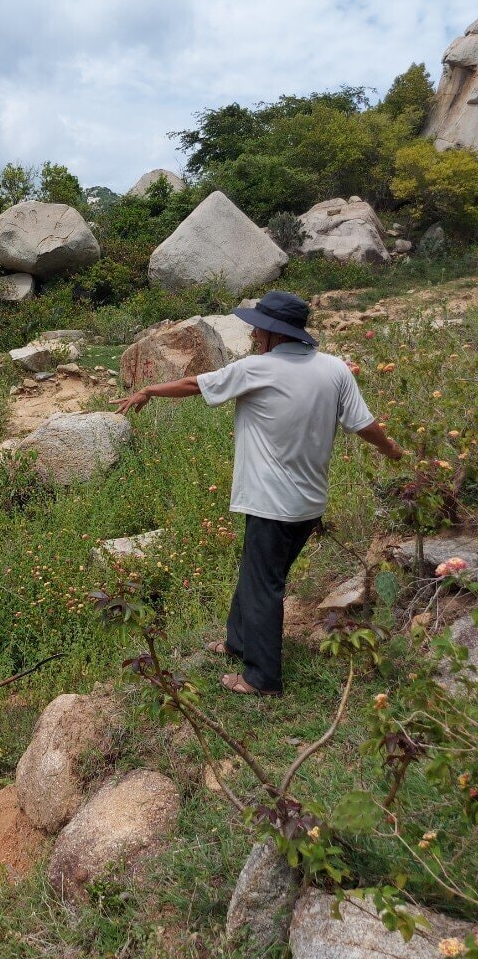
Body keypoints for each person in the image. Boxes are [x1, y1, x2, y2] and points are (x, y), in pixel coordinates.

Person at [114, 291, 404, 697]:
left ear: (272, 333)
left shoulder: (257, 368)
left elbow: (192, 383)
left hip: (271, 503)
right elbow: (365, 425)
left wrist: (148, 391)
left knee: (264, 585)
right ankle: (237, 642)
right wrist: (393, 450)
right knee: (260, 576)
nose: (252, 331)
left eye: (257, 326)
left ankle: (261, 677)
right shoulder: (335, 369)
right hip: (309, 503)